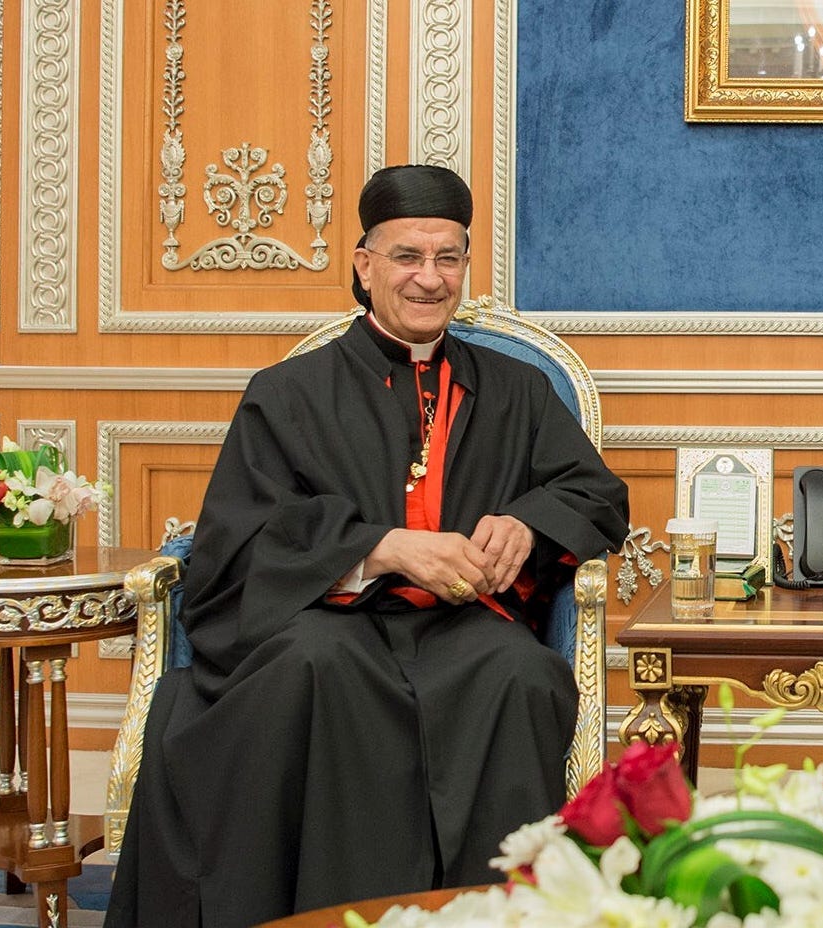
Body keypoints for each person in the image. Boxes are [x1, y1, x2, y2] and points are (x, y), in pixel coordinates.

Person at [108, 165, 631, 928]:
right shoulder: (287, 393)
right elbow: (238, 539)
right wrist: (377, 549)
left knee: (520, 675)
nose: (430, 279)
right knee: (320, 670)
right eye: (407, 257)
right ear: (364, 265)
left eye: (447, 258)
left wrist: (530, 520)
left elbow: (595, 494)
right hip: (327, 621)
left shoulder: (519, 390)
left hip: (460, 626)